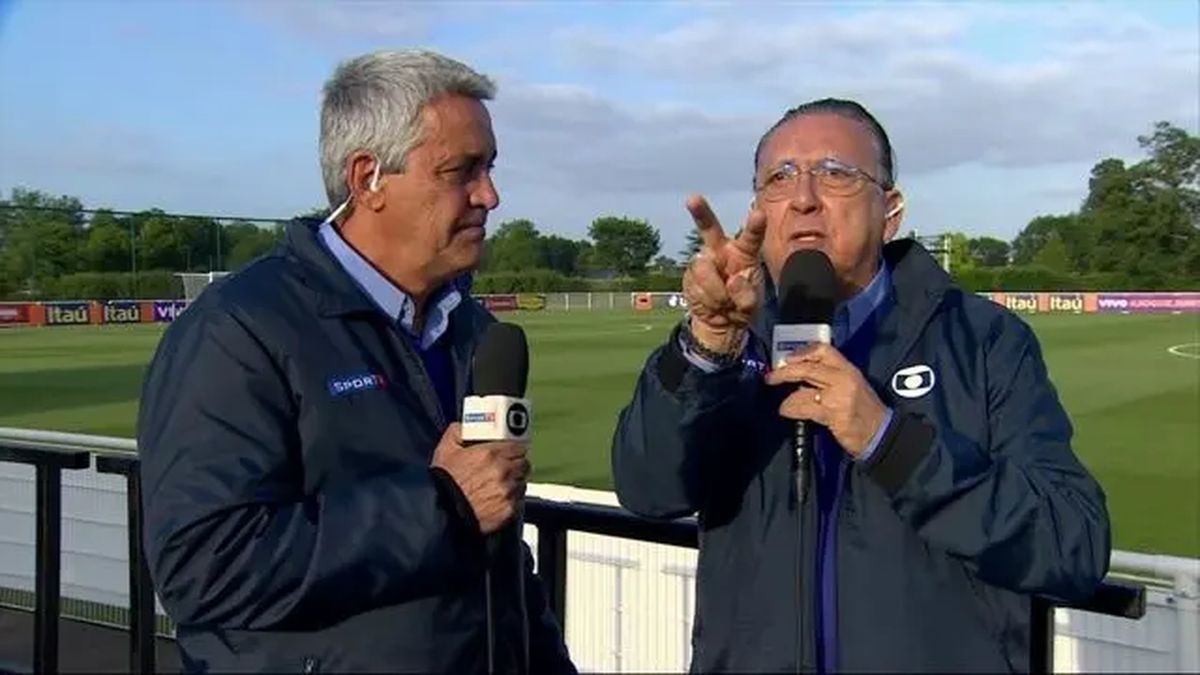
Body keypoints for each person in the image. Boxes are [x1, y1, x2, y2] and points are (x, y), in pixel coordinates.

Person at [610, 98, 1112, 673]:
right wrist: (709, 342)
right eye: (779, 178)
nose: (803, 197)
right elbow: (647, 490)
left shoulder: (984, 340)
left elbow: (1072, 546)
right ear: (758, 211)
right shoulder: (729, 339)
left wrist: (890, 443)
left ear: (891, 210)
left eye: (836, 173)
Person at [137, 49, 575, 674]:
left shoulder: (473, 330)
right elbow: (204, 567)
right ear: (367, 177)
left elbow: (495, 538)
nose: (490, 194)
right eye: (462, 170)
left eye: (491, 167)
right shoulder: (238, 330)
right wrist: (440, 505)